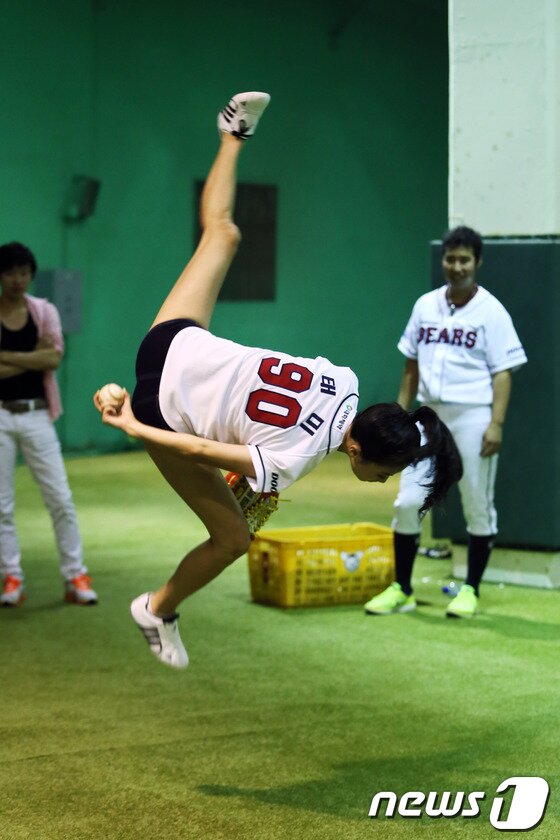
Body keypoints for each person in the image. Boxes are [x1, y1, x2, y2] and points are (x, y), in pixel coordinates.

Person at [95, 92, 461, 669]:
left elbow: (259, 416)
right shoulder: (296, 459)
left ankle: (231, 135)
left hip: (173, 342)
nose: (377, 481)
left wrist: (249, 474)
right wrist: (135, 426)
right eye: (383, 471)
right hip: (161, 404)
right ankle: (157, 607)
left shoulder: (343, 378)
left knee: (224, 234)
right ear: (357, 448)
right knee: (233, 540)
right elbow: (195, 447)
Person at [364, 225, 527, 619]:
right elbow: (411, 364)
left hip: (473, 414)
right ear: (443, 260)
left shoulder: (491, 310)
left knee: (476, 503)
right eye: (450, 259)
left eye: (464, 259)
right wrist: (399, 414)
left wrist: (497, 424)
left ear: (478, 262)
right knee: (407, 501)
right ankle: (401, 589)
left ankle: (470, 590)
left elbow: (503, 372)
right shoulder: (425, 305)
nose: (456, 266)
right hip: (429, 415)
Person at [0, 242, 97, 606]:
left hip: (38, 414)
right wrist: (32, 357)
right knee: (1, 505)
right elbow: (42, 358)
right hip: (1, 415)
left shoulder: (44, 311)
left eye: (24, 272)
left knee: (60, 498)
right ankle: (12, 578)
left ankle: (76, 577)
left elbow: (53, 358)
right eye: (10, 272)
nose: (17, 279)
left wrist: (8, 356)